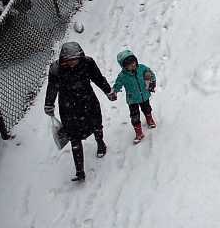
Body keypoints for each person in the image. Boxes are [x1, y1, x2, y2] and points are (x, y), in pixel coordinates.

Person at [44, 42, 116, 182]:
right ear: (63, 59)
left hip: (88, 100)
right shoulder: (56, 69)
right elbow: (52, 87)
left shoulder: (87, 63)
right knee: (73, 136)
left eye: (75, 59)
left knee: (96, 124)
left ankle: (100, 143)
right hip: (68, 106)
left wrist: (108, 91)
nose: (72, 63)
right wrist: (49, 103)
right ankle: (79, 170)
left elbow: (98, 79)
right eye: (69, 60)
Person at [112, 49, 157, 144]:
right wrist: (114, 91)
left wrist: (152, 82)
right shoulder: (122, 76)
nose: (132, 65)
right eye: (129, 64)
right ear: (124, 66)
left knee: (147, 109)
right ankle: (139, 132)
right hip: (132, 99)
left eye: (133, 62)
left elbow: (151, 74)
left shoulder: (142, 68)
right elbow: (117, 84)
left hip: (144, 95)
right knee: (134, 116)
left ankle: (149, 119)